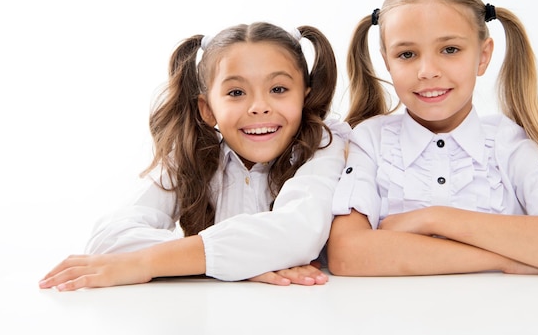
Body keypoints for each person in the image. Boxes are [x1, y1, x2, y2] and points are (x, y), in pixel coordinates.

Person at [327, 0, 538, 277]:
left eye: (450, 50)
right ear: (387, 61)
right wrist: (504, 260)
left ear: (483, 56)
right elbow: (347, 254)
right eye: (407, 54)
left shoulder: (507, 142)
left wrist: (435, 219)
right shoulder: (370, 141)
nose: (428, 71)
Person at [39, 22, 349, 291]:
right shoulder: (192, 153)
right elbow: (109, 239)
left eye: (278, 89)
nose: (259, 106)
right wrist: (240, 261)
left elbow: (296, 234)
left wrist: (150, 262)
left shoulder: (325, 144)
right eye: (236, 93)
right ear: (207, 109)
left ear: (305, 97)